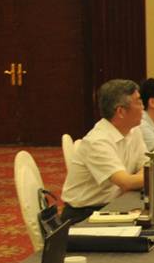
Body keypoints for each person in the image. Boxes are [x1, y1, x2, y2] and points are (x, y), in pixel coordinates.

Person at [61, 78, 148, 219]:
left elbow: (146, 165)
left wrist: (139, 178)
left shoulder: (134, 130)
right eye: (138, 102)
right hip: (84, 214)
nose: (143, 107)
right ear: (121, 111)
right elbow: (126, 183)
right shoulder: (97, 141)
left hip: (115, 204)